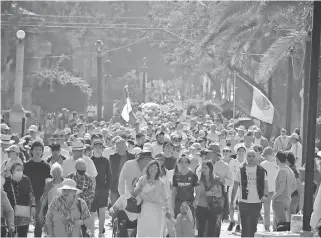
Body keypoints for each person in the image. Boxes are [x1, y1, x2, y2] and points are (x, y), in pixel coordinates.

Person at [230, 150, 269, 237]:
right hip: (244, 202)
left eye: (253, 156)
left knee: (253, 226)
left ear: (256, 158)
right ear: (246, 158)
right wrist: (232, 201)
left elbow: (266, 185)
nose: (251, 158)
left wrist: (265, 195)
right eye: (249, 156)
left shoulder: (261, 170)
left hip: (256, 202)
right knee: (245, 226)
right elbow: (235, 186)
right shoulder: (240, 170)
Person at [133, 160, 171, 237]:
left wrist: (167, 210)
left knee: (155, 232)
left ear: (158, 170)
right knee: (143, 231)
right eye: (151, 167)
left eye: (155, 168)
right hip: (144, 209)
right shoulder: (142, 179)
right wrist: (139, 188)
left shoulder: (161, 182)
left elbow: (165, 198)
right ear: (148, 168)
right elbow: (134, 194)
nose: (152, 169)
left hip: (157, 210)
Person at [24, 141, 50, 237]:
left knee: (39, 222)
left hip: (40, 197)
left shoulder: (46, 166)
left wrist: (45, 197)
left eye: (40, 149)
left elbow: (48, 183)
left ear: (42, 151)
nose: (38, 151)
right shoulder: (26, 165)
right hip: (27, 196)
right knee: (24, 222)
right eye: (36, 149)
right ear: (31, 151)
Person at [3, 163, 36, 237]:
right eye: (17, 170)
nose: (20, 171)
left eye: (21, 170)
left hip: (24, 211)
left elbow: (31, 193)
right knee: (11, 234)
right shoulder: (7, 181)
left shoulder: (26, 179)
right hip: (10, 212)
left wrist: (33, 206)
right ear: (12, 171)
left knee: (23, 234)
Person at [195, 161, 224, 237]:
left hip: (212, 207)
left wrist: (212, 194)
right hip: (201, 206)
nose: (203, 169)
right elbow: (197, 193)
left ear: (210, 169)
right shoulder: (199, 180)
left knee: (211, 230)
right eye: (202, 168)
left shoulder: (216, 179)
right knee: (201, 230)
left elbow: (220, 194)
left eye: (205, 168)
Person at [90, 140, 112, 237]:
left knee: (102, 212)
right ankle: (92, 233)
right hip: (91, 190)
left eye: (100, 147)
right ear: (93, 148)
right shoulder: (90, 160)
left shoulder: (105, 160)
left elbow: (109, 175)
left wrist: (107, 187)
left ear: (102, 148)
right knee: (92, 212)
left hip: (103, 190)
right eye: (96, 146)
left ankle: (101, 233)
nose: (98, 148)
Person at [272, 151, 296, 230]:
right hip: (287, 200)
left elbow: (281, 188)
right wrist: (288, 193)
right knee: (283, 224)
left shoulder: (282, 171)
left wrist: (274, 197)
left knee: (280, 225)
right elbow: (294, 186)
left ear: (277, 159)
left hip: (279, 200)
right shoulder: (290, 170)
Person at [109, 138, 135, 206]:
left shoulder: (132, 157)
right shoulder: (112, 157)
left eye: (122, 146)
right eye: (118, 146)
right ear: (116, 148)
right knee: (114, 207)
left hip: (128, 185)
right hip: (115, 185)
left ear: (126, 146)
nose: (120, 148)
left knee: (127, 208)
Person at [260, 147, 279, 231]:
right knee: (266, 210)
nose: (265, 157)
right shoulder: (263, 164)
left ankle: (276, 226)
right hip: (266, 190)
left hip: (276, 190)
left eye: (266, 155)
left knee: (276, 210)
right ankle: (266, 227)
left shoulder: (278, 163)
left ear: (271, 154)